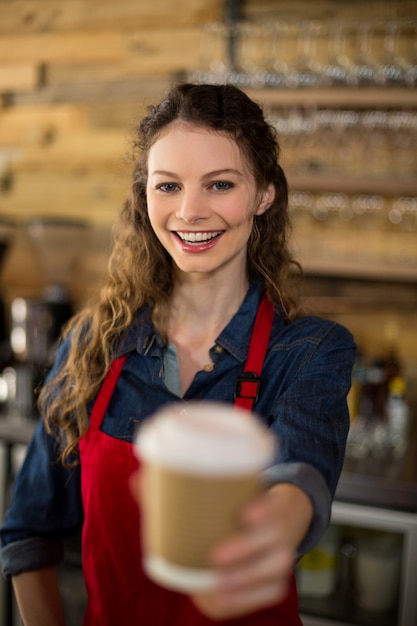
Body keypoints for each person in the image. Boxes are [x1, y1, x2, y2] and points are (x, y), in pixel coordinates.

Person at [1, 82, 355, 625]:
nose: (190, 211)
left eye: (219, 184)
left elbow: (300, 475)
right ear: (145, 196)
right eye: (168, 186)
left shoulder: (309, 352)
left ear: (264, 194)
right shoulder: (95, 343)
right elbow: (28, 533)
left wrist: (270, 530)